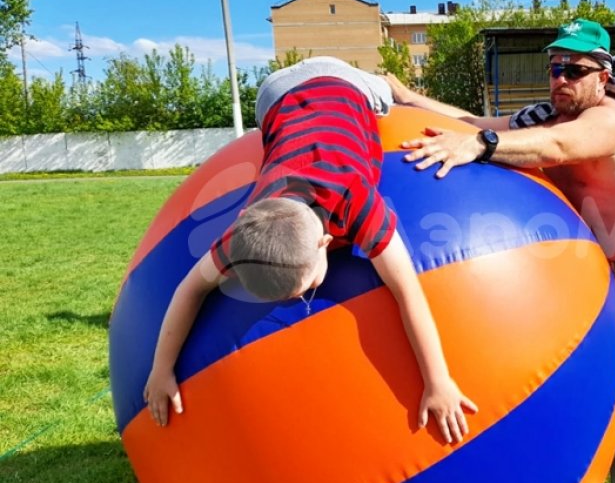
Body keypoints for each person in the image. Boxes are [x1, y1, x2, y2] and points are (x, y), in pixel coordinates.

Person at [386, 19, 615, 483]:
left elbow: (551, 147)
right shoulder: (547, 116)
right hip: (598, 277)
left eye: (574, 69)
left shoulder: (610, 120)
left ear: (604, 75)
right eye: (554, 67)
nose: (561, 78)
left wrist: (479, 145)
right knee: (588, 386)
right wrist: (407, 97)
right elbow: (475, 122)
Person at [143, 57, 476, 444]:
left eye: (302, 288)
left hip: (346, 82)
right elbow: (190, 288)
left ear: (326, 242)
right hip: (276, 92)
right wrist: (161, 370)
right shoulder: (248, 232)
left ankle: (391, 84)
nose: (299, 298)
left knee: (385, 98)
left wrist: (438, 380)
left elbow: (407, 290)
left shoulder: (355, 199)